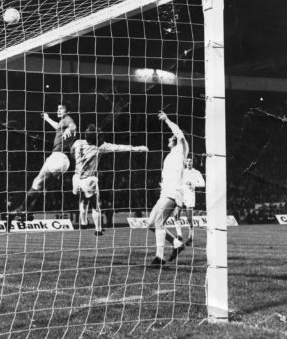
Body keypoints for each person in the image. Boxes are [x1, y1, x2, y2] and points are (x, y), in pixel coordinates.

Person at [71, 124, 148, 236]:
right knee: (95, 206)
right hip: (88, 180)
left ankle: (83, 223)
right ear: (96, 138)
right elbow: (118, 147)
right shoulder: (100, 147)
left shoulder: (78, 142)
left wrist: (77, 158)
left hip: (76, 178)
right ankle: (98, 230)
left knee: (83, 200)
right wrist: (137, 148)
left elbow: (72, 151)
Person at [7, 103, 76, 228]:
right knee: (42, 186)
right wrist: (47, 118)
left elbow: (73, 126)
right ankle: (27, 212)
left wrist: (69, 129)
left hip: (57, 157)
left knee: (36, 182)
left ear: (68, 111)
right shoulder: (62, 123)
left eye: (61, 108)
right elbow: (58, 127)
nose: (58, 110)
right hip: (64, 162)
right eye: (58, 108)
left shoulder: (68, 120)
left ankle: (20, 210)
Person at [147, 111, 189, 265]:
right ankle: (177, 244)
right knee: (151, 224)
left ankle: (159, 257)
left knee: (158, 222)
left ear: (176, 140)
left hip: (173, 193)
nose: (168, 139)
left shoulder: (181, 149)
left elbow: (178, 132)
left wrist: (167, 120)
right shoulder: (171, 154)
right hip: (165, 191)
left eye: (171, 138)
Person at [173, 157, 205, 245]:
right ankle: (179, 235)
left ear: (193, 162)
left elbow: (203, 183)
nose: (188, 162)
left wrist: (194, 184)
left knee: (189, 218)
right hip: (181, 194)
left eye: (190, 161)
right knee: (176, 215)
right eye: (187, 161)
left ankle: (191, 237)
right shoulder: (182, 172)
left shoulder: (196, 172)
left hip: (190, 195)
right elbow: (178, 182)